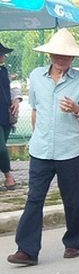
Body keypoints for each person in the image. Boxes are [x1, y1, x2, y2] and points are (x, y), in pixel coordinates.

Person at [7, 28, 79, 266]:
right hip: (41, 150)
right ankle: (27, 249)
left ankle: (74, 242)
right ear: (50, 55)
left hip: (70, 150)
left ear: (73, 58)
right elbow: (35, 109)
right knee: (34, 198)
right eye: (56, 54)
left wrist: (76, 109)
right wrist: (37, 137)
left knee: (73, 199)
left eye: (65, 55)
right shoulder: (36, 76)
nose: (60, 58)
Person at [0, 41, 19, 189]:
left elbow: (12, 88)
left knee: (2, 146)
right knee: (1, 148)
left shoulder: (3, 71)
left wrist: (16, 100)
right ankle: (8, 176)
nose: (4, 56)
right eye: (2, 53)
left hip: (5, 115)